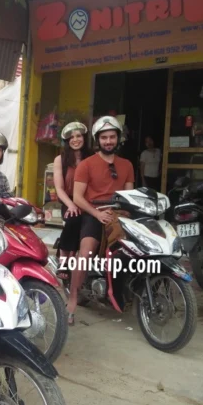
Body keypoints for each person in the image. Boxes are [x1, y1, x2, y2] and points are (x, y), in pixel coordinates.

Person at [68, 116, 134, 326]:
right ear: (98, 140)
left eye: (112, 137)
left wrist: (125, 213)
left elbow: (129, 196)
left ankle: (122, 292)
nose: (108, 141)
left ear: (118, 138)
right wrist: (97, 214)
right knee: (85, 253)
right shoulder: (86, 164)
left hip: (118, 215)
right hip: (93, 213)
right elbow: (78, 198)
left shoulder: (127, 165)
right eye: (104, 137)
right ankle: (72, 301)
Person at [52, 122, 93, 279]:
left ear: (84, 138)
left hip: (89, 201)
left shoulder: (92, 158)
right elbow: (59, 188)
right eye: (71, 137)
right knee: (74, 218)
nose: (75, 140)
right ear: (67, 141)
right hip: (68, 200)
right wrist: (70, 204)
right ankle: (64, 259)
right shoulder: (60, 160)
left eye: (79, 136)